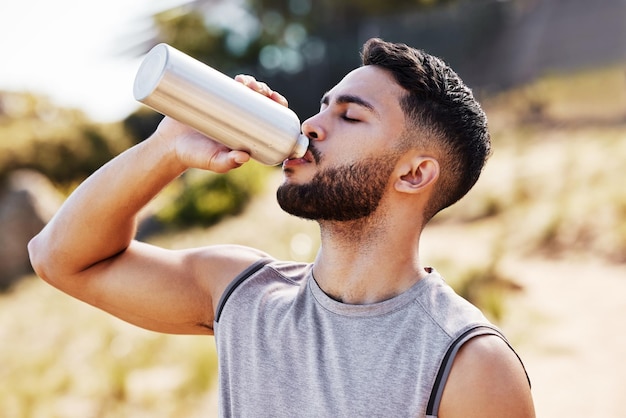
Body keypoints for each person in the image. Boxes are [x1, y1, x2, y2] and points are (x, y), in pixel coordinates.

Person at [29, 38, 535, 417]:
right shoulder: (241, 292)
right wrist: (167, 150)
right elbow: (57, 257)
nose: (311, 126)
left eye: (350, 117)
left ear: (415, 173)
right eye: (320, 107)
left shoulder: (469, 363)